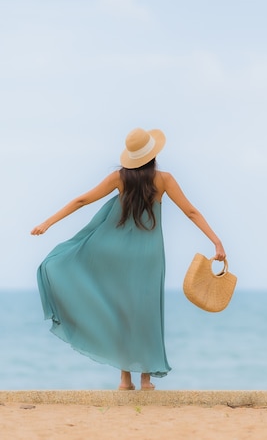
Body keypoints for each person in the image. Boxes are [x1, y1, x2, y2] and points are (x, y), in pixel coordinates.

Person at [31, 127, 226, 391]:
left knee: (122, 312)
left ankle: (125, 380)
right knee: (146, 311)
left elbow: (82, 200)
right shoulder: (165, 180)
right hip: (149, 257)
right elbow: (191, 212)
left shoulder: (119, 178)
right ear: (153, 155)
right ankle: (145, 380)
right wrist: (216, 241)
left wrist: (48, 222)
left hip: (117, 254)